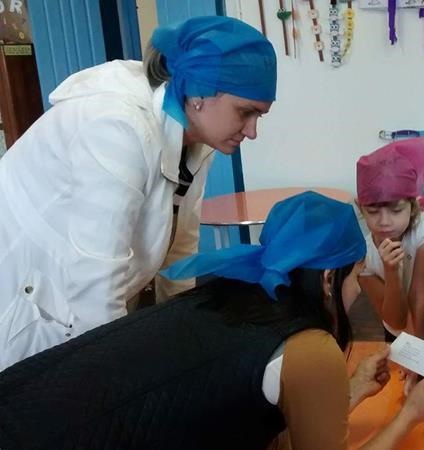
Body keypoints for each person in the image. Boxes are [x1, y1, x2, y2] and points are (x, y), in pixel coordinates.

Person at [0, 191, 424, 450]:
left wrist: (350, 390)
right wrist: (410, 413)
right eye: (355, 276)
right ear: (329, 279)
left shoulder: (226, 297)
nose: (358, 292)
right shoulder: (309, 346)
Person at [0, 16, 278, 371]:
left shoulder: (197, 137)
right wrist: (130, 382)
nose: (252, 132)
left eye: (259, 116)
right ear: (199, 94)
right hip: (28, 305)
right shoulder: (116, 127)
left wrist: (183, 331)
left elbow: (180, 246)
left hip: (86, 304)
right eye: (245, 113)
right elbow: (96, 286)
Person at [355, 137, 424, 345]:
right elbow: (396, 320)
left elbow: (420, 300)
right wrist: (391, 272)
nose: (384, 222)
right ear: (360, 207)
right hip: (397, 332)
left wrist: (422, 356)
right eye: (373, 212)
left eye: (396, 210)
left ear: (413, 205)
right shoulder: (363, 252)